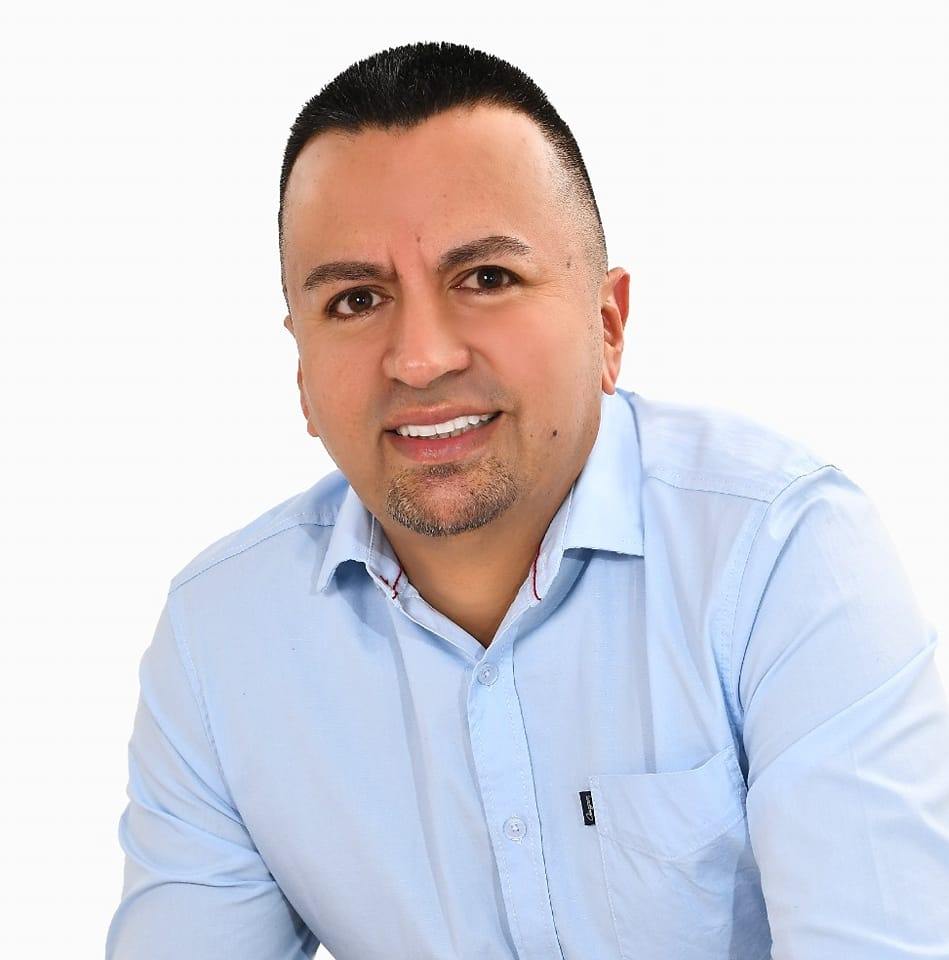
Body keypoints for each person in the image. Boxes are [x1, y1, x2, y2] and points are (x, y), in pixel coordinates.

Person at [106, 41, 949, 960]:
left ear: (606, 325)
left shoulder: (783, 555)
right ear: (301, 373)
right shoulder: (220, 639)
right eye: (354, 299)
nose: (420, 358)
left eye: (486, 279)